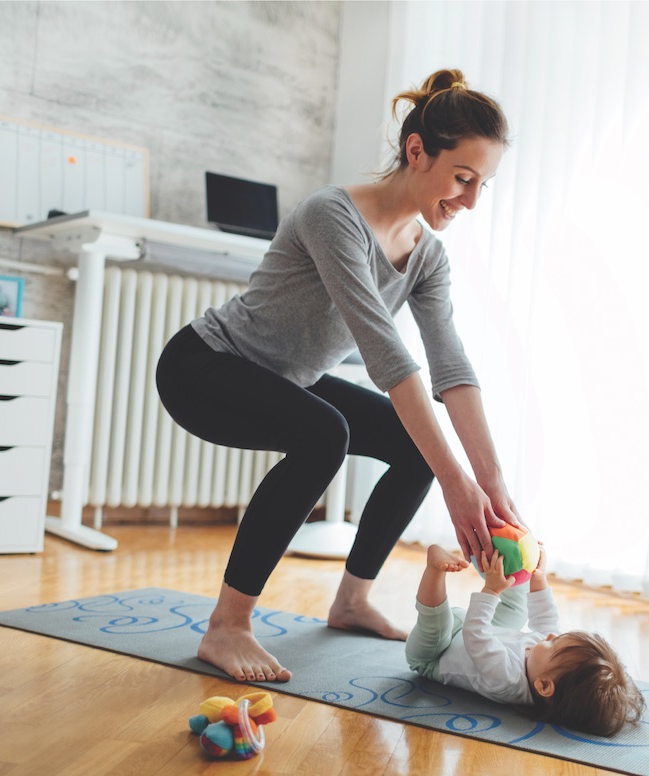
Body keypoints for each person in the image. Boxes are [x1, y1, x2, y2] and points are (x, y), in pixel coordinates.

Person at [155, 69, 519, 684]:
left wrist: (491, 483)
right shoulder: (333, 215)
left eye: (483, 184)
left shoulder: (427, 255)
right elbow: (386, 354)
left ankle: (351, 600)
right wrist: (458, 486)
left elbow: (450, 366)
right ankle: (227, 625)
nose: (471, 200)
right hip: (204, 366)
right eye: (463, 178)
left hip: (287, 379)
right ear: (416, 151)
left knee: (411, 448)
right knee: (326, 433)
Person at [406, 544, 645, 737]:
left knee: (437, 625)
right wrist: (537, 577)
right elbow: (546, 619)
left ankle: (434, 570)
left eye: (554, 644)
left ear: (544, 686)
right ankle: (504, 558)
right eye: (558, 638)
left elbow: (475, 635)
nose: (551, 636)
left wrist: (491, 590)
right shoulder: (545, 664)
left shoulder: (507, 679)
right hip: (484, 632)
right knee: (517, 609)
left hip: (436, 654)